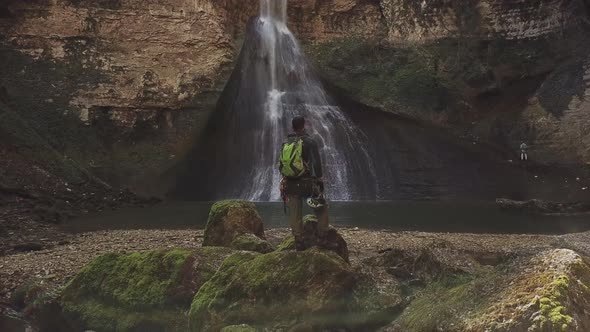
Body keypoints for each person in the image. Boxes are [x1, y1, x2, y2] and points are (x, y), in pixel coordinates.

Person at [279, 116, 329, 251]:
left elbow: (281, 165)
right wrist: (319, 179)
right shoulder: (310, 141)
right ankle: (322, 237)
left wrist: (285, 179)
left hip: (291, 183)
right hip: (307, 183)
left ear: (292, 127)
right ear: (304, 125)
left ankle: (298, 240)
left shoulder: (286, 143)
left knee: (295, 211)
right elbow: (316, 164)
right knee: (321, 208)